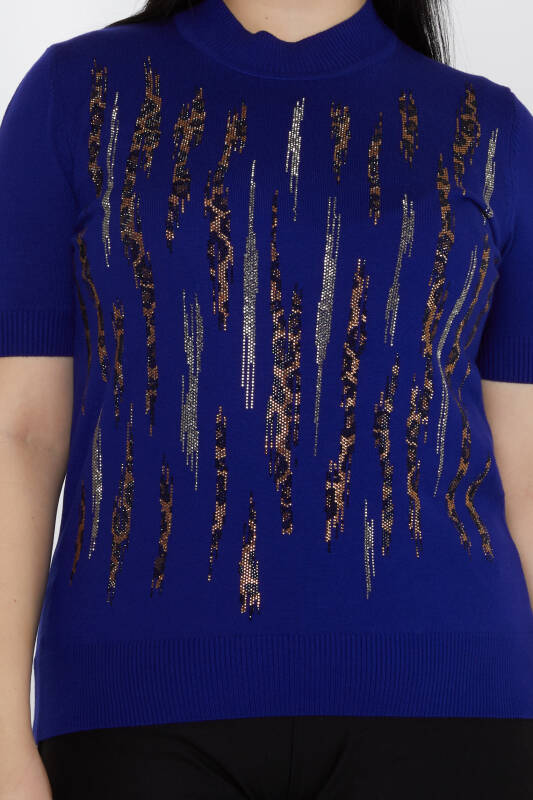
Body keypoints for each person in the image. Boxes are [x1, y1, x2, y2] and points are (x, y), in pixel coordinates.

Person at [1, 0, 533, 797]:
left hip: (452, 704)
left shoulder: (489, 132)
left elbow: (526, 476)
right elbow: (20, 435)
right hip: (130, 709)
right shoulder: (78, 96)